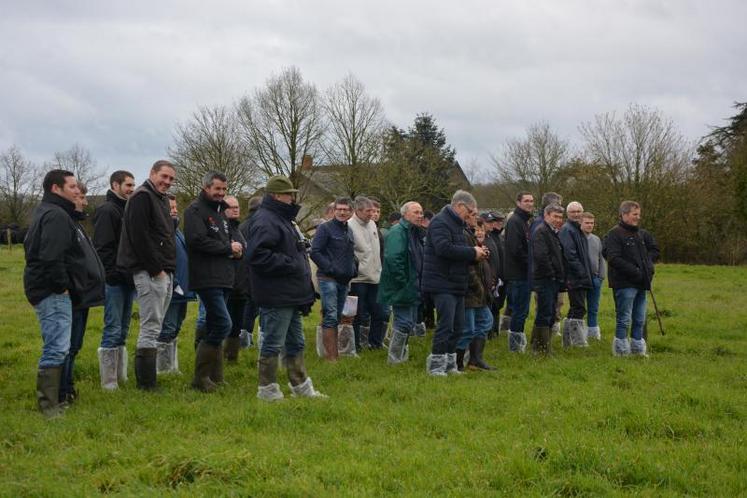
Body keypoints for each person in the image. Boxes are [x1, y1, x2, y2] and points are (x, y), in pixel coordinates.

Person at [246, 175, 325, 401]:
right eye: (288, 194)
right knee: (272, 342)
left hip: (290, 293)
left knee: (295, 342)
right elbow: (258, 255)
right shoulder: (265, 220)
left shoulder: (282, 219)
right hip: (276, 294)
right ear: (275, 196)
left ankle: (301, 386)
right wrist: (291, 264)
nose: (293, 198)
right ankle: (267, 390)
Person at [24, 170, 81, 417]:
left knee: (59, 345)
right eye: (72, 186)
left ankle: (57, 398)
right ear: (56, 188)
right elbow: (51, 256)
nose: (77, 190)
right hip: (50, 290)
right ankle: (49, 406)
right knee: (57, 347)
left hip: (43, 286)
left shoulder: (46, 211)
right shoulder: (56, 215)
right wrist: (62, 286)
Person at [117, 160, 177, 390]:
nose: (167, 182)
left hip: (164, 271)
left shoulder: (160, 198)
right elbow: (139, 236)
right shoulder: (142, 197)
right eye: (164, 176)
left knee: (156, 324)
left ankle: (148, 382)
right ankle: (146, 385)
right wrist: (156, 270)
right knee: (150, 326)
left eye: (171, 179)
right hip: (150, 272)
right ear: (152, 173)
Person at [184, 172, 243, 392]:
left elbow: (225, 241)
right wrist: (228, 248)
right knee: (223, 324)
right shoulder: (194, 211)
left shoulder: (221, 213)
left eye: (224, 190)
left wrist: (235, 250)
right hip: (206, 277)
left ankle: (215, 376)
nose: (221, 193)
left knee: (213, 324)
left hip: (224, 277)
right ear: (206, 187)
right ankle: (199, 378)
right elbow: (197, 240)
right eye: (217, 189)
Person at [423, 190, 490, 376]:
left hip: (456, 282)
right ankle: (436, 366)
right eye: (470, 211)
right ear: (459, 206)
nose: (471, 215)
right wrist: (472, 252)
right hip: (441, 282)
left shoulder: (458, 225)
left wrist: (476, 255)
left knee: (458, 326)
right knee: (446, 325)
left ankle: (450, 364)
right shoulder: (439, 222)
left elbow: (458, 251)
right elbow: (443, 249)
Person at [59, 182, 105, 404]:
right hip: (71, 293)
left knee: (75, 345)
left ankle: (67, 386)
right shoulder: (63, 223)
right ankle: (62, 391)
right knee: (66, 345)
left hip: (82, 293)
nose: (85, 202)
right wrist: (66, 286)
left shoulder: (77, 224)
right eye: (81, 198)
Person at [93, 170, 136, 390]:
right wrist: (112, 275)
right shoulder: (107, 210)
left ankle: (120, 375)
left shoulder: (126, 209)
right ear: (114, 185)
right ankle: (108, 381)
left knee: (123, 328)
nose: (131, 189)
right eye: (127, 185)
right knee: (112, 328)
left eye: (133, 185)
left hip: (129, 280)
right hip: (115, 280)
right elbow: (103, 248)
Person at [603, 200, 658, 356]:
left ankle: (637, 349)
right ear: (624, 214)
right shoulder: (614, 234)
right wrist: (636, 272)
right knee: (624, 319)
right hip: (625, 284)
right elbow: (613, 258)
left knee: (640, 319)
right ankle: (621, 351)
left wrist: (647, 268)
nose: (638, 218)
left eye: (639, 215)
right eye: (635, 214)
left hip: (642, 284)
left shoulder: (641, 234)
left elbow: (653, 252)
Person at [311, 197, 357, 361]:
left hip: (344, 280)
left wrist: (353, 269)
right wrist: (330, 268)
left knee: (337, 317)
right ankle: (331, 358)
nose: (342, 212)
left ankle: (333, 353)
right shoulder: (325, 228)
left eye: (346, 210)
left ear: (351, 212)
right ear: (334, 210)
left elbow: (351, 254)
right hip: (328, 278)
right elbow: (315, 251)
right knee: (330, 315)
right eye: (339, 209)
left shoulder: (349, 230)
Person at [378, 201, 423, 364]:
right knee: (403, 322)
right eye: (415, 212)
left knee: (409, 323)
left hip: (413, 284)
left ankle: (401, 356)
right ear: (405, 214)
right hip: (402, 285)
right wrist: (403, 281)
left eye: (420, 213)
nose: (420, 216)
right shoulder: (398, 231)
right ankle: (395, 358)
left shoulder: (414, 232)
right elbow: (393, 258)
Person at [155, 195, 196, 374]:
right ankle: (162, 368)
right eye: (170, 207)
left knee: (177, 326)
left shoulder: (178, 230)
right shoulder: (162, 231)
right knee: (168, 327)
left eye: (175, 207)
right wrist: (175, 284)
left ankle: (171, 366)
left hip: (184, 289)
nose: (174, 210)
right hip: (172, 288)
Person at [457, 218, 495, 370]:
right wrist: (478, 286)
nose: (479, 231)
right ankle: (458, 363)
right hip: (470, 291)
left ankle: (475, 359)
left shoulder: (474, 239)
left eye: (481, 229)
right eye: (476, 229)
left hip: (480, 291)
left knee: (486, 321)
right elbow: (468, 267)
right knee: (468, 329)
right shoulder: (463, 235)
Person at [347, 196, 383, 351]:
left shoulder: (373, 225)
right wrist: (356, 268)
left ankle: (375, 343)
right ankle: (355, 345)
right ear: (358, 210)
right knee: (357, 314)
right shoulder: (349, 226)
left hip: (375, 277)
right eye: (368, 211)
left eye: (374, 211)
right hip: (358, 279)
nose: (372, 214)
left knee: (379, 312)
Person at [530, 204, 566, 354]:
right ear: (546, 216)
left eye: (560, 217)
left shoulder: (553, 232)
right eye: (555, 216)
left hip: (553, 279)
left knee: (550, 312)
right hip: (545, 279)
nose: (558, 219)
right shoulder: (541, 232)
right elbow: (541, 257)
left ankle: (540, 345)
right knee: (545, 313)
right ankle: (542, 348)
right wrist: (552, 274)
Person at [558, 201, 593, 348]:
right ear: (568, 214)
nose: (576, 214)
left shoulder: (578, 229)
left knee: (576, 307)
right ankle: (576, 340)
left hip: (580, 275)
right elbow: (570, 255)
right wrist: (582, 273)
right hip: (574, 276)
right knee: (578, 307)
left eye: (579, 211)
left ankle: (568, 339)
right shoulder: (567, 230)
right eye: (573, 212)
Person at [504, 191, 534, 352]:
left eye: (531, 200)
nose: (530, 203)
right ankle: (515, 346)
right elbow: (516, 249)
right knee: (519, 310)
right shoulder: (515, 221)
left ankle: (518, 342)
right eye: (526, 201)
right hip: (518, 274)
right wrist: (531, 262)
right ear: (518, 203)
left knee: (523, 310)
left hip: (524, 274)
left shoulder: (525, 221)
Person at [223, 195, 250, 363]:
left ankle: (232, 357)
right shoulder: (222, 229)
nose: (235, 209)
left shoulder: (238, 230)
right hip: (226, 283)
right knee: (224, 323)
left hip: (242, 285)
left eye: (237, 206)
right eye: (231, 206)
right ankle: (218, 356)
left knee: (237, 324)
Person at [581, 212, 606, 340]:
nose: (590, 225)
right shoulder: (577, 238)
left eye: (592, 223)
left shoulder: (596, 239)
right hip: (581, 279)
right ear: (581, 223)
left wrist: (601, 276)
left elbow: (601, 258)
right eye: (587, 223)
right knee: (580, 307)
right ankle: (578, 332)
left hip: (596, 279)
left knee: (593, 307)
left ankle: (593, 332)